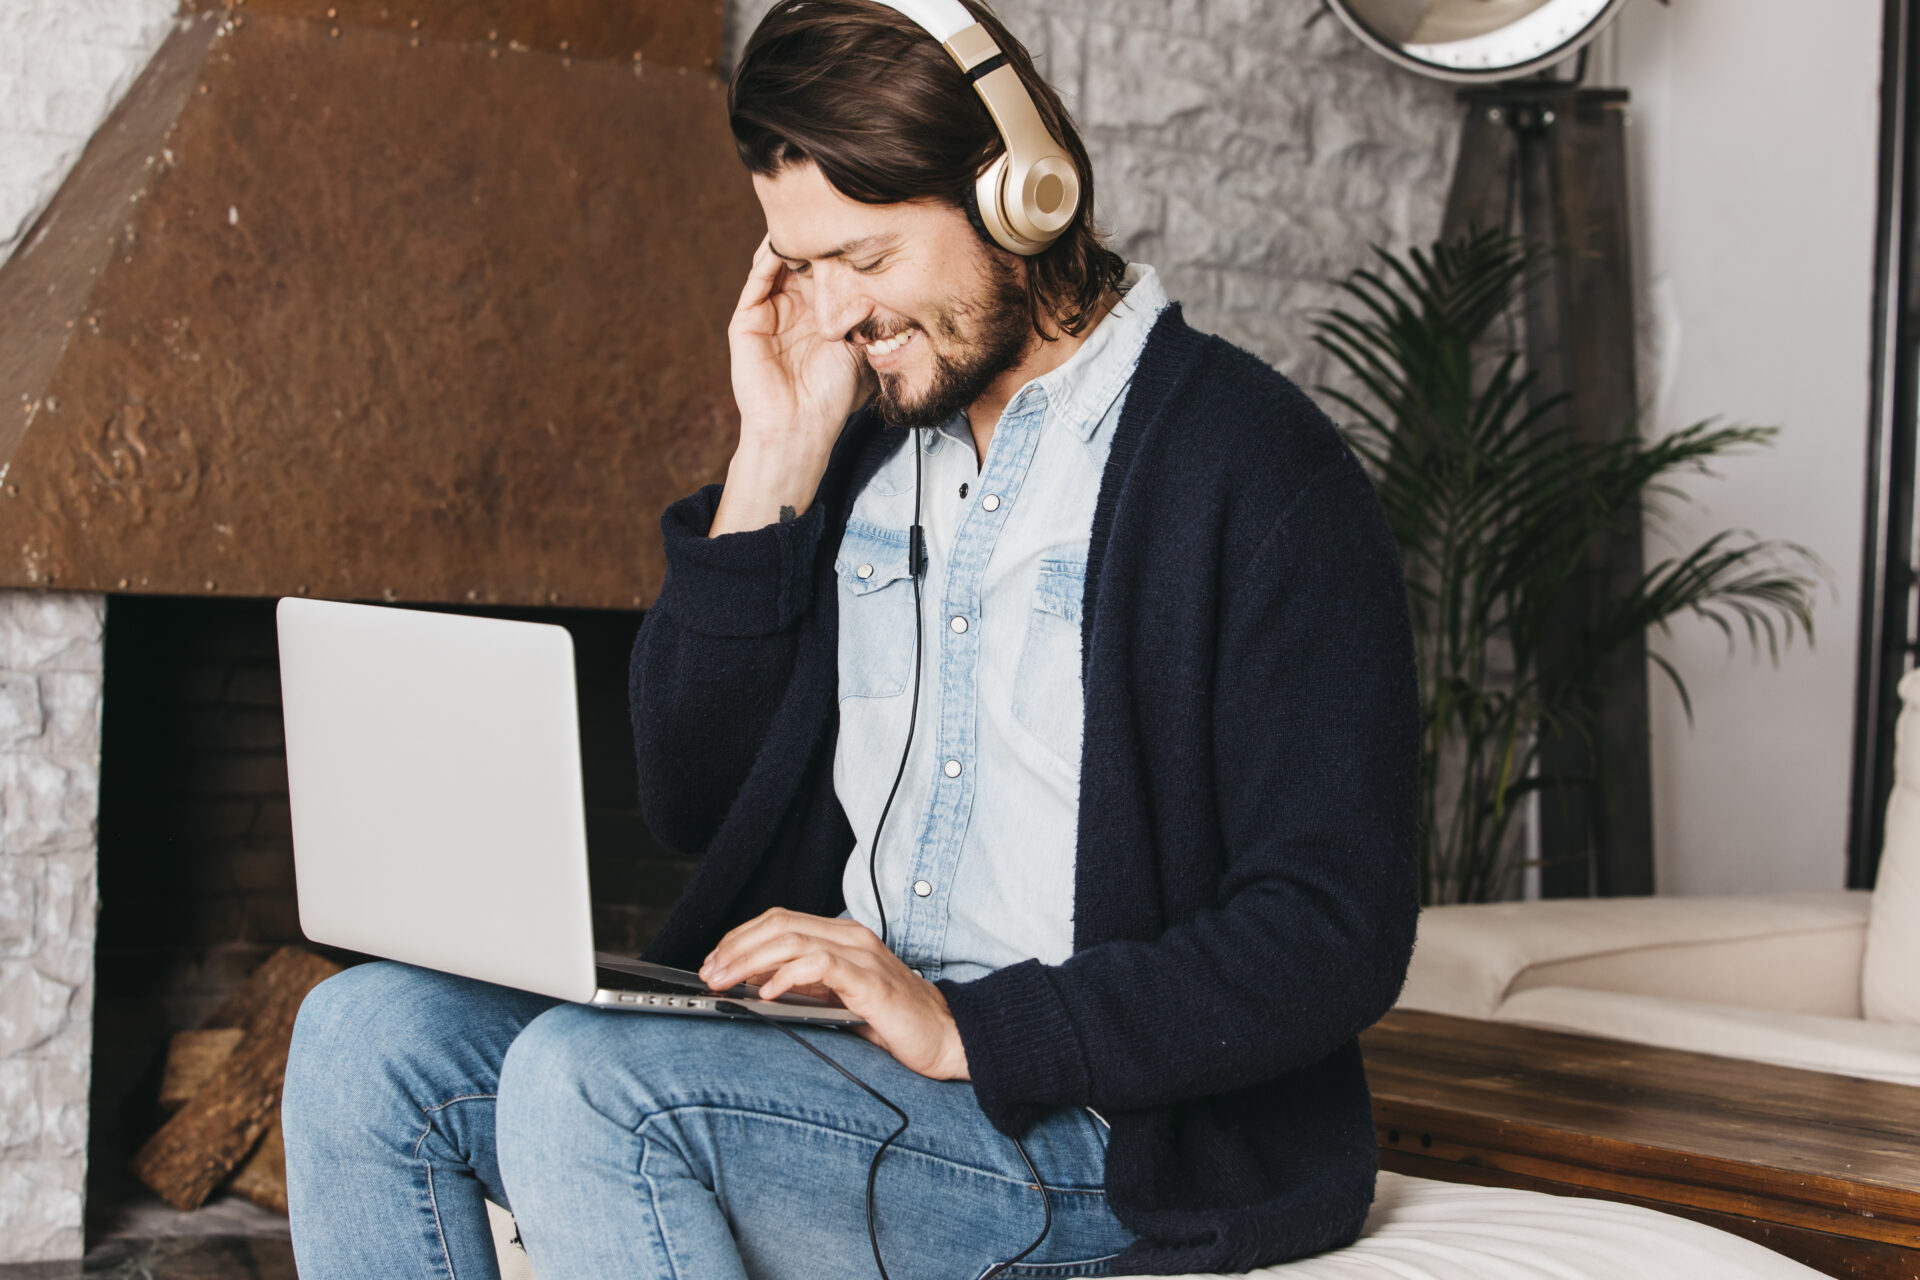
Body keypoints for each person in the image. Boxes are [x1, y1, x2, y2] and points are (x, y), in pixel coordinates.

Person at [280, 1, 1420, 1276]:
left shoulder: (1256, 472)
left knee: (590, 1085)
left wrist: (971, 1027)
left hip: (1097, 1126)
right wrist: (773, 459)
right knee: (360, 1034)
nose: (837, 313)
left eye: (867, 261)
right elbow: (690, 792)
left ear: (1021, 196)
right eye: (802, 264)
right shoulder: (863, 446)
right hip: (838, 1063)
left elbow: (1333, 926)